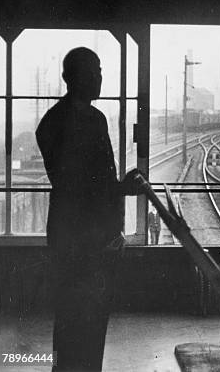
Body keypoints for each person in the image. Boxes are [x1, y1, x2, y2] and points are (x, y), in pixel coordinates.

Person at [36, 47, 142, 371]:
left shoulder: (64, 121)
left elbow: (90, 182)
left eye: (100, 70)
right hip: (82, 240)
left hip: (80, 236)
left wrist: (116, 190)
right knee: (80, 318)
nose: (100, 77)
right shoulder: (72, 122)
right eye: (93, 70)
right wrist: (122, 188)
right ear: (72, 77)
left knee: (84, 318)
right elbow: (84, 186)